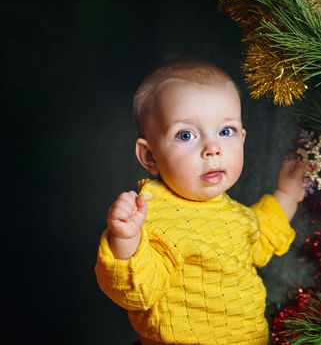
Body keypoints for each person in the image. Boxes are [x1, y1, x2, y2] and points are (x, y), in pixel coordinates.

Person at [95, 57, 305, 345]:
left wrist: (287, 194)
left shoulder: (235, 215)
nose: (213, 148)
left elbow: (263, 230)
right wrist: (126, 239)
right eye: (186, 135)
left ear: (242, 139)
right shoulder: (153, 216)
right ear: (149, 156)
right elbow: (137, 292)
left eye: (226, 131)